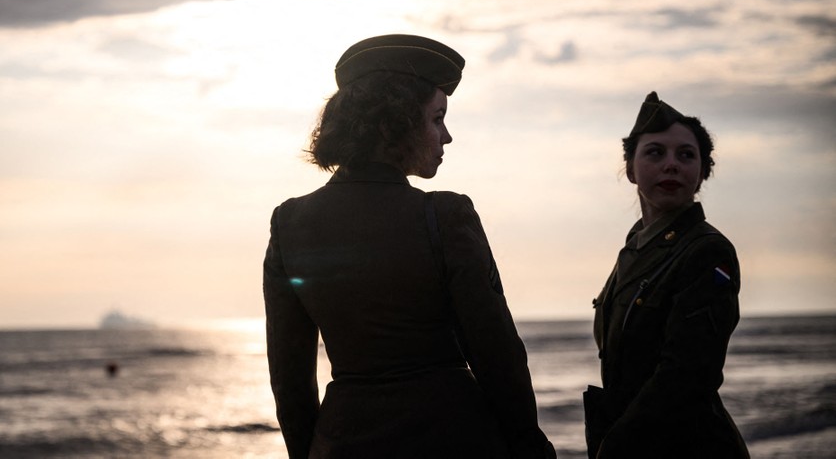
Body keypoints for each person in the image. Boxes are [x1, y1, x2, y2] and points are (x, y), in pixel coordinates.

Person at [264, 34, 555, 459]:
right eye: (437, 118)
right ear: (394, 122)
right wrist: (531, 446)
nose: (447, 136)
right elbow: (498, 356)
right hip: (453, 438)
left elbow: (289, 380)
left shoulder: (289, 222)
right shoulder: (446, 214)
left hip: (344, 441)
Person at [585, 92, 750, 459]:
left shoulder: (707, 251)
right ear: (631, 169)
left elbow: (688, 375)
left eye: (686, 155)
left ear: (703, 173)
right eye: (655, 153)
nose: (671, 165)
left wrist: (615, 446)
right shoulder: (636, 247)